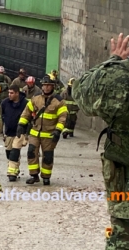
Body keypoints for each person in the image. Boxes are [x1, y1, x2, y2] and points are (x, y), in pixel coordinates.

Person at [73, 33, 129, 250]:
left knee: (122, 238)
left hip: (124, 180)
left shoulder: (119, 79)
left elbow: (82, 92)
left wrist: (114, 60)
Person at [17, 75, 67, 185]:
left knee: (47, 156)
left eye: (49, 85)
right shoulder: (36, 98)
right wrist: (21, 124)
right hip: (35, 132)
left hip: (50, 134)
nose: (46, 88)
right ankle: (34, 175)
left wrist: (58, 131)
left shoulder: (59, 101)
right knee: (31, 152)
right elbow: (27, 112)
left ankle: (46, 176)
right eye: (44, 85)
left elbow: (62, 118)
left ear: (53, 86)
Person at [1, 84, 28, 182]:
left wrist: (27, 133)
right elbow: (1, 117)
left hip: (20, 132)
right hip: (8, 132)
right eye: (8, 93)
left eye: (11, 93)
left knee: (14, 152)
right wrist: (1, 131)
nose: (9, 95)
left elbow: (30, 118)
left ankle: (11, 174)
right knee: (9, 153)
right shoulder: (5, 103)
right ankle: (15, 169)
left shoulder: (25, 103)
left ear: (17, 93)